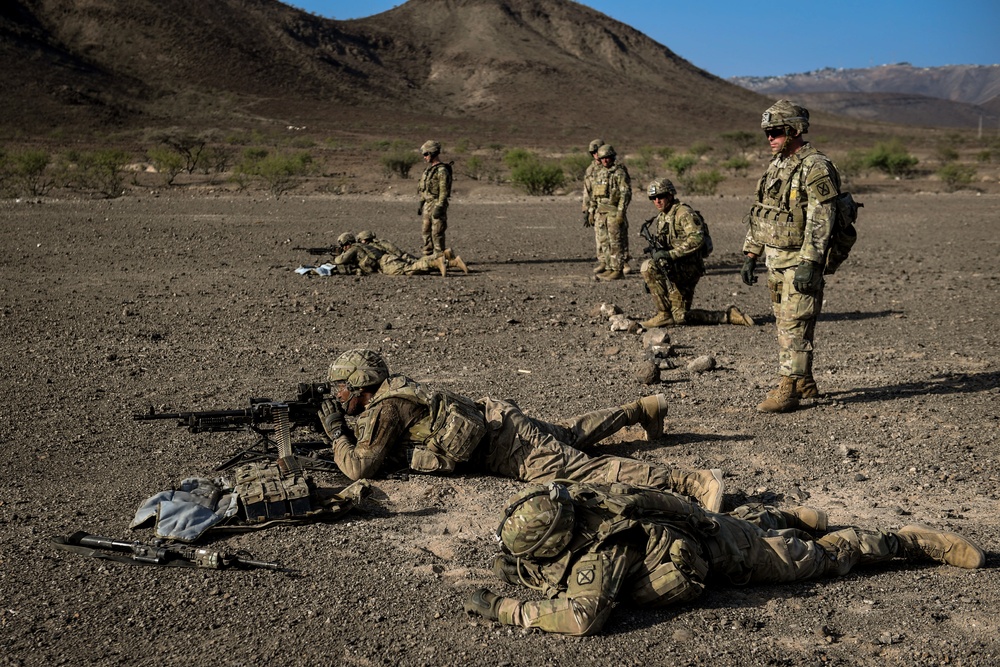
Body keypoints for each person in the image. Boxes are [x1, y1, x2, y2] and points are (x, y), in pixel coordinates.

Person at [463, 480, 986, 636]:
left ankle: (908, 542)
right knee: (757, 524)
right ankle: (789, 516)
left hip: (726, 553)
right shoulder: (582, 502)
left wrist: (507, 610)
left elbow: (583, 618)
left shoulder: (604, 548)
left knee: (819, 560)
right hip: (704, 528)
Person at [316, 349, 725, 512]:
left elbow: (359, 468)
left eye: (341, 388)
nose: (338, 395)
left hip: (506, 447)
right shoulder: (394, 392)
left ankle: (693, 481)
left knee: (586, 471)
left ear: (359, 384)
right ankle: (640, 409)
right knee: (567, 434)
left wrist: (336, 432)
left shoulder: (387, 409)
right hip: (500, 420)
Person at [741, 100, 842, 413]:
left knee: (793, 324)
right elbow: (764, 212)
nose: (770, 137)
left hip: (799, 261)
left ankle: (789, 389)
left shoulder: (816, 166)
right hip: (776, 261)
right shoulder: (777, 165)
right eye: (767, 132)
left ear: (794, 130)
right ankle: (805, 381)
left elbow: (821, 218)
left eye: (776, 131)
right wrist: (751, 252)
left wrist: (811, 262)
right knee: (787, 324)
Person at [639, 178, 755, 329]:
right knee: (680, 317)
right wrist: (652, 279)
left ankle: (663, 315)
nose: (657, 201)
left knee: (647, 266)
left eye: (660, 196)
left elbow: (697, 239)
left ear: (670, 195)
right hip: (674, 268)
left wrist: (670, 255)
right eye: (653, 198)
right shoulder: (662, 217)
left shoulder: (683, 213)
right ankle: (727, 316)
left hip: (688, 268)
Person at [588, 145, 632, 280]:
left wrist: (620, 212)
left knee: (616, 242)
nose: (605, 160)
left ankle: (618, 269)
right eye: (603, 158)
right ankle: (608, 267)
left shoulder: (619, 173)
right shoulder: (598, 172)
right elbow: (594, 195)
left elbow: (625, 193)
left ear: (612, 157)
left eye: (608, 157)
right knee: (604, 241)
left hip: (613, 212)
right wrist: (591, 211)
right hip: (600, 213)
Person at [357, 229, 468, 276]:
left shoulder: (372, 245)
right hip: (399, 255)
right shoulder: (380, 241)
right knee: (419, 263)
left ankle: (440, 259)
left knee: (414, 267)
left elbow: (392, 251)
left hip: (395, 258)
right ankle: (448, 257)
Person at [417, 140, 452, 257]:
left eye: (426, 154)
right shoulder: (428, 170)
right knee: (425, 231)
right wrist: (421, 202)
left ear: (433, 153)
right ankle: (428, 257)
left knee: (437, 232)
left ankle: (439, 257)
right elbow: (424, 188)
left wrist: (440, 206)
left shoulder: (442, 170)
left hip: (437, 203)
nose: (424, 157)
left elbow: (444, 191)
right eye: (424, 155)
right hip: (428, 204)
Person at [581, 139, 605, 274]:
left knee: (616, 236)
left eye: (598, 151)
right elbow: (587, 190)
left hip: (610, 206)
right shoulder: (590, 169)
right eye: (593, 152)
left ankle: (622, 262)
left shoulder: (612, 167)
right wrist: (586, 209)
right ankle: (603, 261)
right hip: (595, 208)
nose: (596, 154)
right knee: (600, 236)